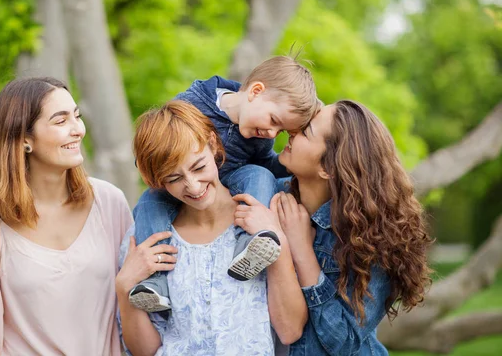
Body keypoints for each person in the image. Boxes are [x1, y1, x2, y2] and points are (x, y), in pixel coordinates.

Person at [129, 56, 321, 313]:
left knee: (258, 175)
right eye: (274, 121)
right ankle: (155, 281)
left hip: (229, 182)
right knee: (149, 201)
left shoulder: (259, 137)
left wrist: (303, 161)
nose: (273, 134)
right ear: (255, 91)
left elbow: (267, 164)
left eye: (282, 131)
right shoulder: (195, 101)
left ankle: (250, 245)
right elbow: (157, 144)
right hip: (178, 182)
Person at [239, 100, 433, 355]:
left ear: (327, 167)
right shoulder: (268, 194)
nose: (291, 130)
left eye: (305, 131)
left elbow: (343, 341)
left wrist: (300, 248)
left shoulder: (375, 235)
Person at [0, 77, 132, 355]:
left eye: (77, 116)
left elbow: (135, 311)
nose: (77, 130)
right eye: (61, 121)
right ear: (24, 139)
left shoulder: (109, 203)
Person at [116, 100, 307, 355]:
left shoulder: (264, 221)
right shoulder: (145, 239)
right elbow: (146, 351)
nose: (193, 186)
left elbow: (290, 330)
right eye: (174, 178)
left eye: (199, 167)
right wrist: (124, 287)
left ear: (213, 144)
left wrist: (278, 241)